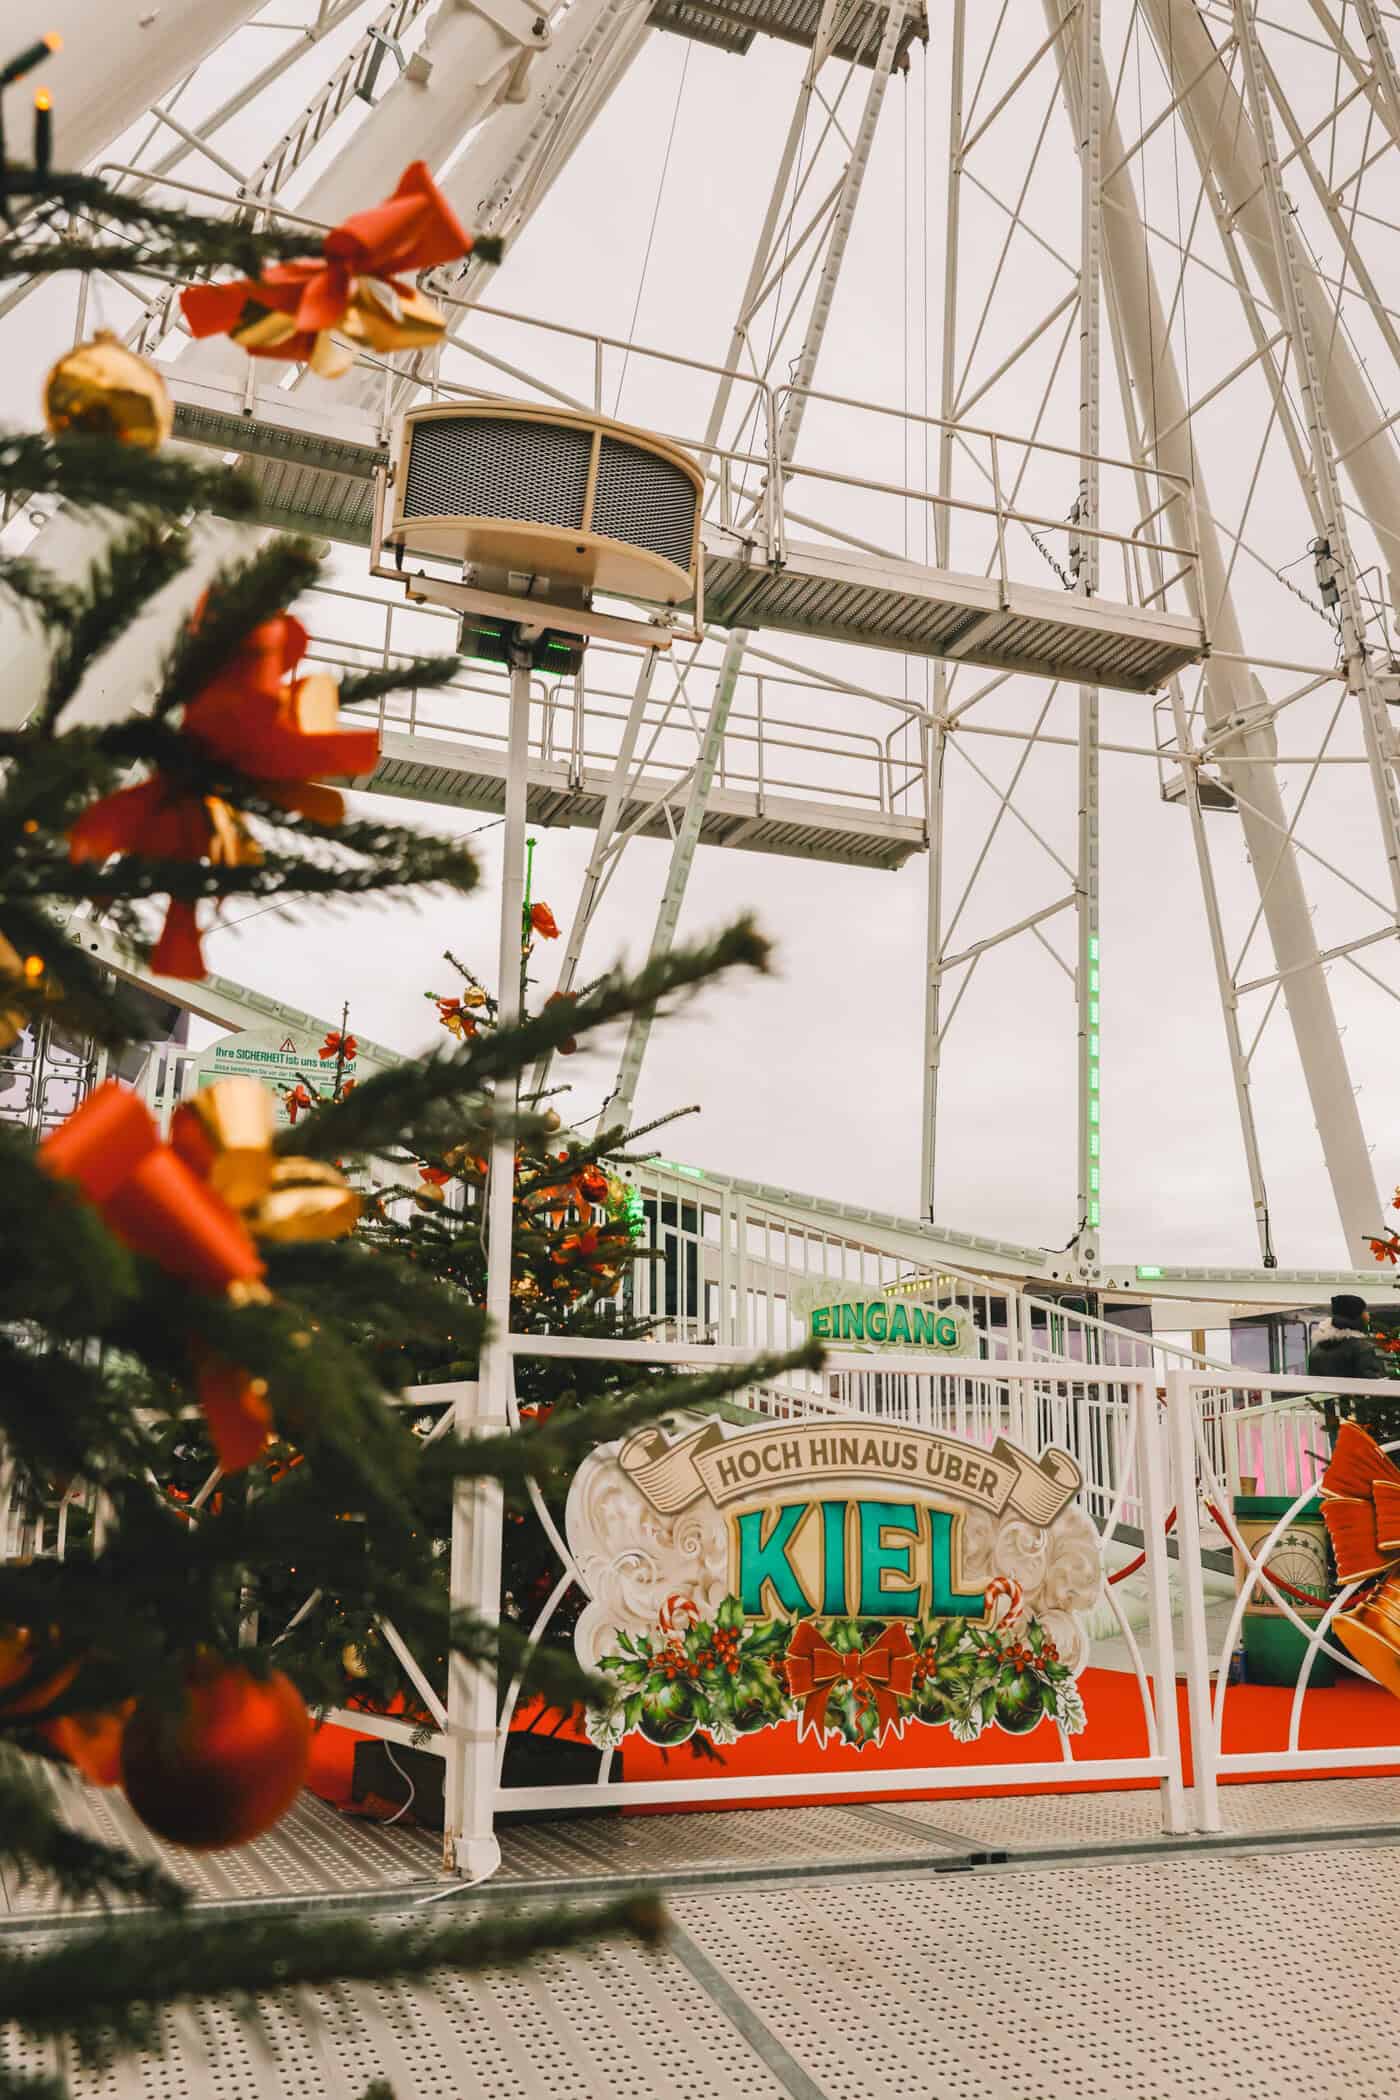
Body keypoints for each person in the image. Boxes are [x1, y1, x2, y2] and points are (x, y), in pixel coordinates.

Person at [1307, 1293, 1387, 1442]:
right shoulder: (1361, 1348)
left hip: (1332, 1417)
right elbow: (1374, 1383)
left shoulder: (1317, 1350)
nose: (1368, 1315)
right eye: (1364, 1311)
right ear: (1356, 1316)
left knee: (1340, 1452)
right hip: (1360, 1418)